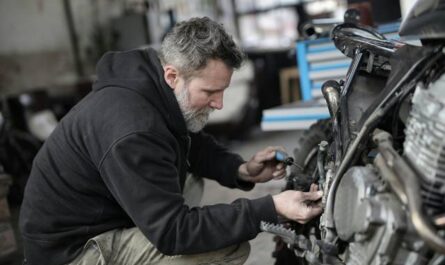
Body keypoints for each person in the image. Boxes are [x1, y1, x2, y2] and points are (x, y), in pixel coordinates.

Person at [19, 17, 323, 265]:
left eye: (222, 91)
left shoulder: (151, 86)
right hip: (71, 252)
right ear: (172, 75)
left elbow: (188, 140)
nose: (218, 104)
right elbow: (175, 232)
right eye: (209, 92)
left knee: (191, 182)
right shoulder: (133, 129)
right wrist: (272, 208)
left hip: (94, 218)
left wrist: (241, 170)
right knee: (228, 249)